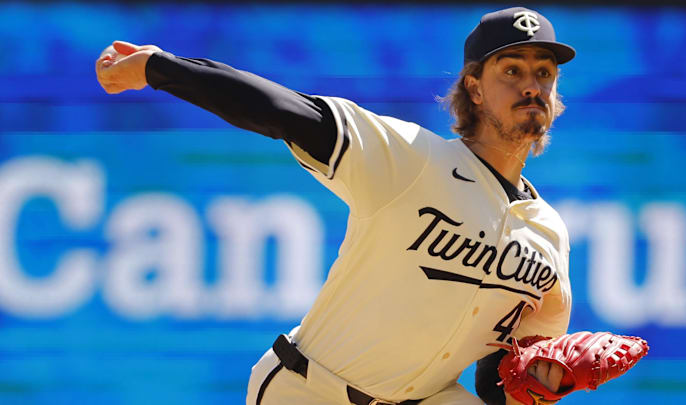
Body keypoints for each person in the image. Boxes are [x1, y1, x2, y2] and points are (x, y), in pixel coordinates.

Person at [96, 7, 574, 405]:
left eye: (544, 73)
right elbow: (282, 111)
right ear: (473, 87)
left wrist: (538, 383)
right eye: (511, 69)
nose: (531, 85)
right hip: (309, 390)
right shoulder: (411, 158)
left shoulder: (549, 235)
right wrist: (158, 68)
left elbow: (498, 378)